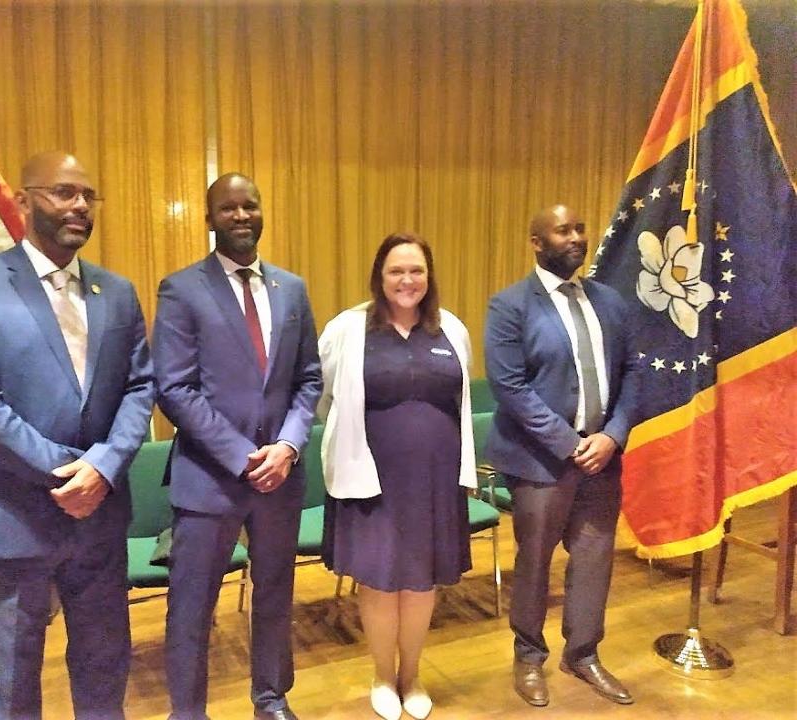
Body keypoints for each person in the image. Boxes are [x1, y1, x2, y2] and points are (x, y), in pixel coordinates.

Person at [0, 151, 154, 719]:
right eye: (62, 192)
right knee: (11, 681)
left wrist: (103, 468)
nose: (79, 205)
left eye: (87, 195)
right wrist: (69, 472)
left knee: (106, 666)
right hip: (13, 517)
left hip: (100, 519)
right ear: (23, 200)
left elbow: (139, 388)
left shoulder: (118, 292)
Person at [152, 173, 322, 720]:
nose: (242, 215)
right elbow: (174, 387)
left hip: (281, 476)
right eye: (228, 208)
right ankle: (188, 711)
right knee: (192, 608)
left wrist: (289, 446)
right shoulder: (181, 289)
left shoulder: (291, 289)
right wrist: (241, 456)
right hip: (209, 480)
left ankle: (271, 698)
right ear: (209, 218)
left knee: (274, 593)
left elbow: (309, 379)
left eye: (250, 206)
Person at [483, 204, 640, 708]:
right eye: (563, 230)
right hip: (541, 463)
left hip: (602, 458)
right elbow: (509, 386)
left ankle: (584, 653)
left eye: (579, 229)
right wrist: (570, 445)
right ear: (536, 241)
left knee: (594, 559)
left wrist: (612, 436)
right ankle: (528, 656)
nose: (575, 237)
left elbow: (634, 373)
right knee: (534, 562)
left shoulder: (610, 302)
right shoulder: (510, 306)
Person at [317, 233, 477, 720]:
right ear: (379, 276)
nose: (407, 280)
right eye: (396, 271)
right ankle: (383, 676)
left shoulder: (452, 329)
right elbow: (322, 394)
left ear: (429, 277)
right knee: (382, 583)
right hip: (372, 476)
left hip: (436, 480)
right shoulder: (347, 328)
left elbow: (459, 400)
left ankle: (413, 675)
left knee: (422, 584)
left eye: (417, 271)